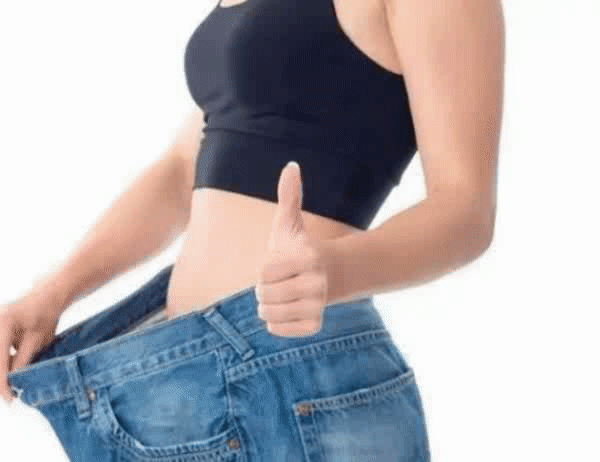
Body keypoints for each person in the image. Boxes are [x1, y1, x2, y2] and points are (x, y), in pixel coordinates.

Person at [2, 0, 504, 460]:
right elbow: (183, 169)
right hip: (171, 382)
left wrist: (336, 270)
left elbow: (465, 209)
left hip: (297, 381)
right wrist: (54, 292)